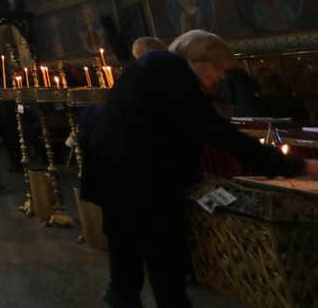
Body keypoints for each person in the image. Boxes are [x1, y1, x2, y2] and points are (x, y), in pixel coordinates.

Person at [86, 30, 316, 308]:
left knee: (125, 267)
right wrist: (297, 164)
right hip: (143, 186)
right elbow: (217, 132)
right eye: (217, 68)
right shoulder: (173, 76)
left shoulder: (146, 70)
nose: (220, 77)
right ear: (196, 59)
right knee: (165, 263)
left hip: (114, 179)